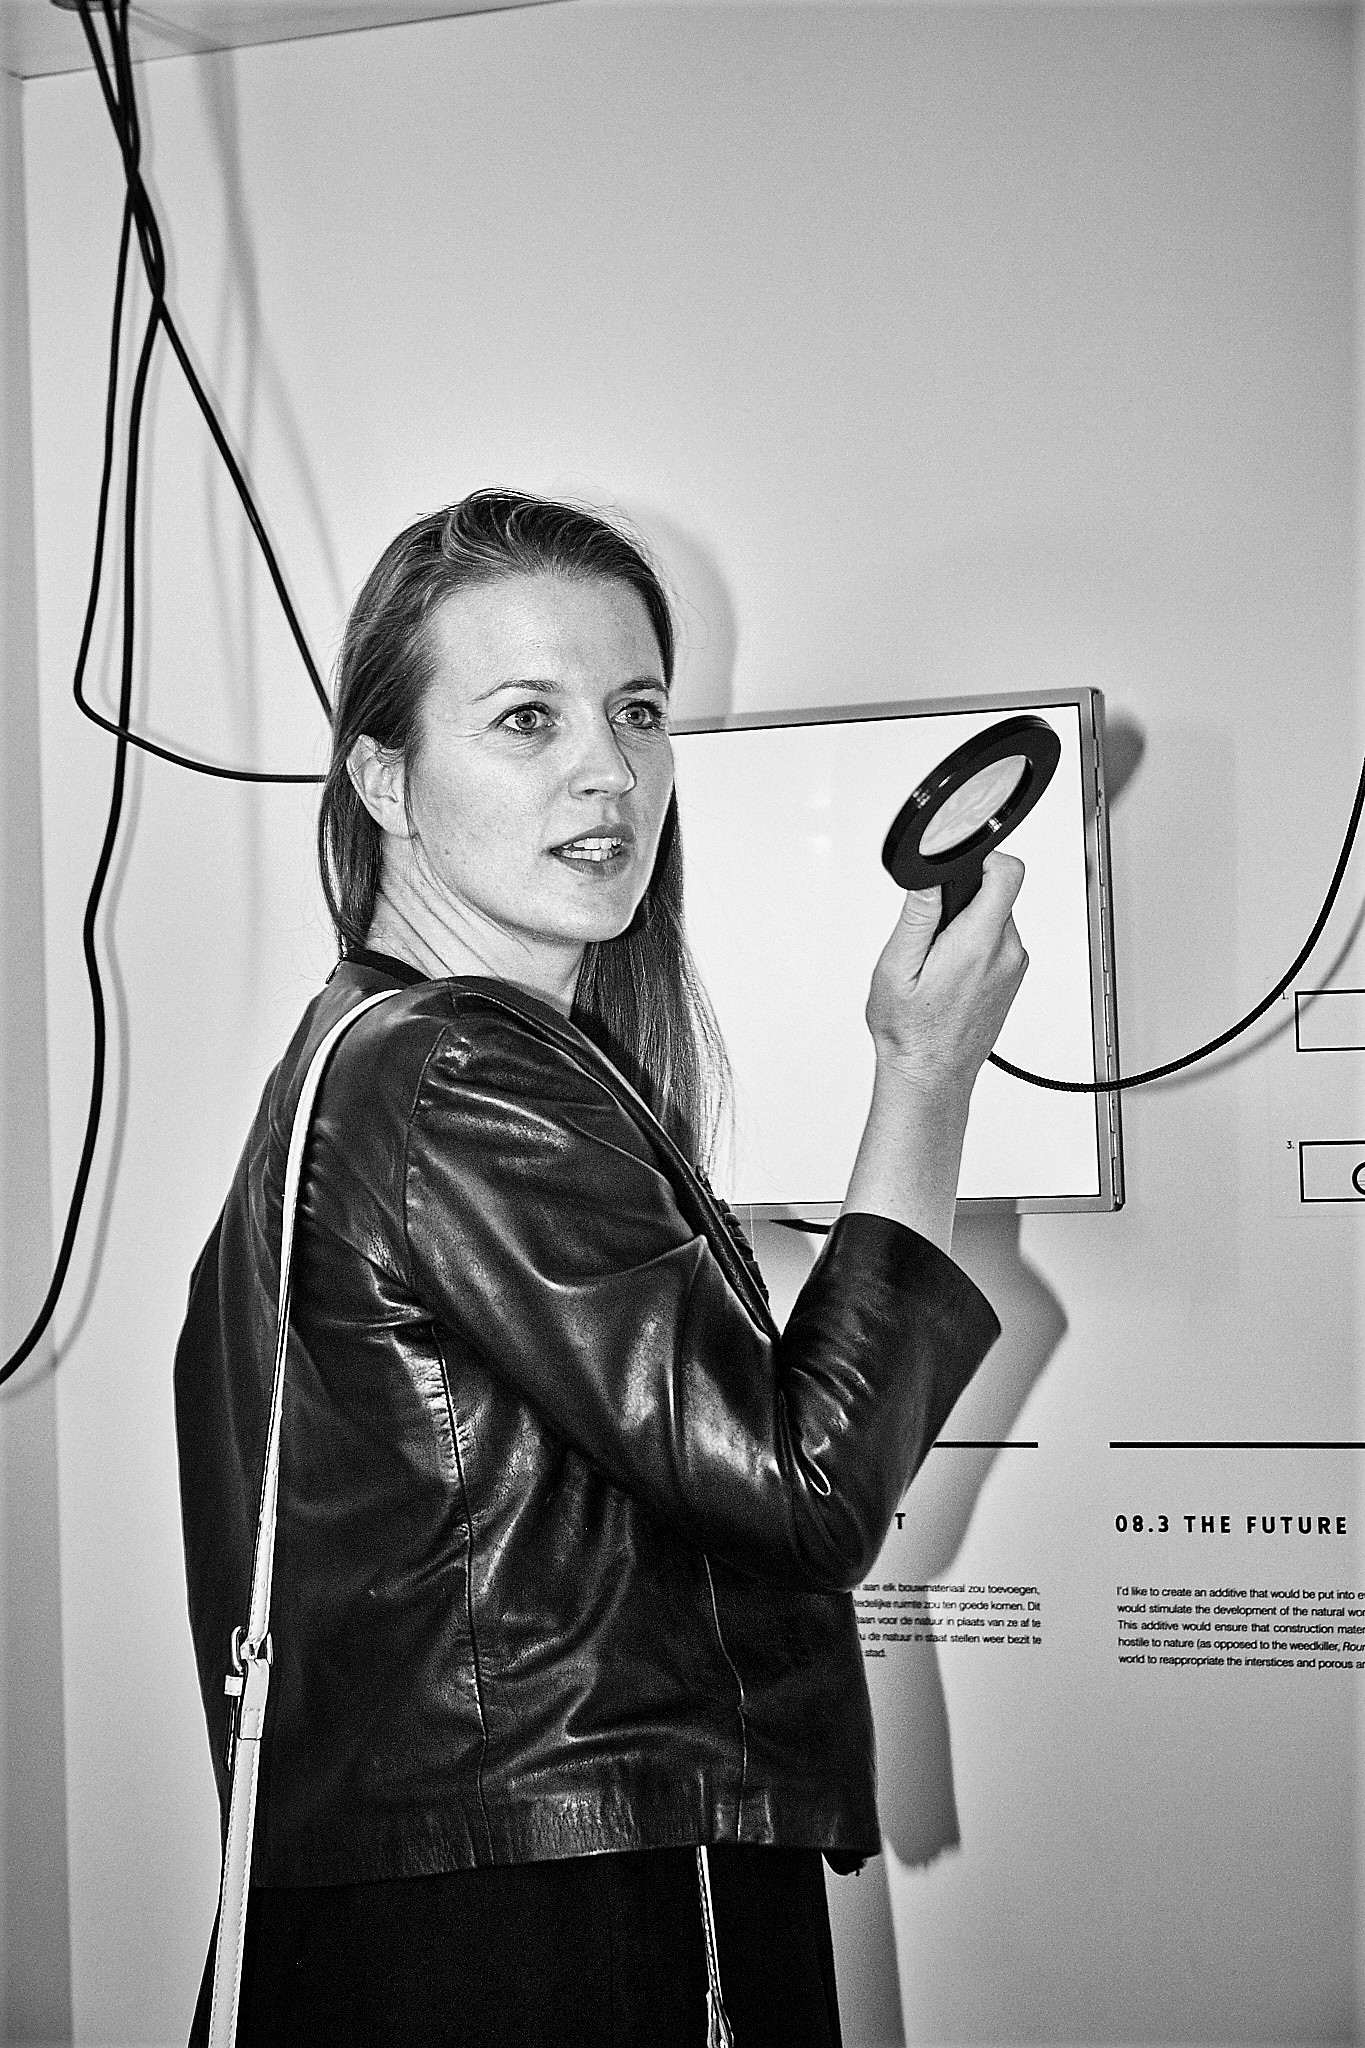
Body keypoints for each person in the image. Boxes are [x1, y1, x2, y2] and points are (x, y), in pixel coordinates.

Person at [175, 487, 1027, 2047]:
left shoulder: (364, 1060)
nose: (608, 771)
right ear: (383, 777)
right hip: (575, 1926)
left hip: (463, 1916)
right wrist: (925, 1074)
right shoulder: (458, 1074)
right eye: (526, 719)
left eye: (637, 711)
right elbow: (804, 1491)